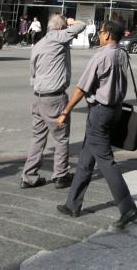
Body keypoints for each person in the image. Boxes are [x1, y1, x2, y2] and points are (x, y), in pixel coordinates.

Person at [54, 19, 137, 229]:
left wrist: (66, 111)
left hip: (100, 112)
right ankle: (72, 203)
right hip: (114, 111)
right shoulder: (122, 53)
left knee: (105, 160)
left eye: (101, 32)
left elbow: (81, 87)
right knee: (86, 158)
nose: (99, 35)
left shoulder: (102, 55)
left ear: (109, 35)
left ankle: (127, 207)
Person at [21, 15, 87, 189]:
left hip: (38, 96)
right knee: (61, 138)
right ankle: (61, 175)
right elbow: (82, 25)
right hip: (54, 97)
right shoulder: (59, 37)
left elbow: (32, 73)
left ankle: (29, 176)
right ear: (61, 28)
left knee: (37, 138)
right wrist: (72, 23)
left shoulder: (39, 44)